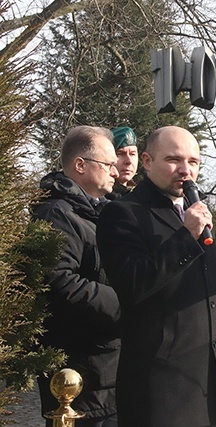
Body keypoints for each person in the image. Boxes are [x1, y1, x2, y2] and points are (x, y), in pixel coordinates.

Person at [96, 125, 216, 427]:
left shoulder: (194, 212)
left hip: (207, 378)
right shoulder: (123, 213)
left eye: (193, 162)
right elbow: (133, 286)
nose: (185, 170)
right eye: (174, 160)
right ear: (147, 161)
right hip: (160, 387)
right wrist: (186, 236)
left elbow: (210, 290)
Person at [31, 126, 121, 426]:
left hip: (109, 367)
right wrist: (126, 305)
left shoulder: (102, 214)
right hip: (80, 374)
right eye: (108, 165)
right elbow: (60, 282)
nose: (116, 173)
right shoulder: (57, 214)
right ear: (80, 165)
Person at [110, 126, 138, 194]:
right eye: (120, 154)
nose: (129, 161)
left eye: (132, 154)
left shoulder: (140, 195)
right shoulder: (98, 196)